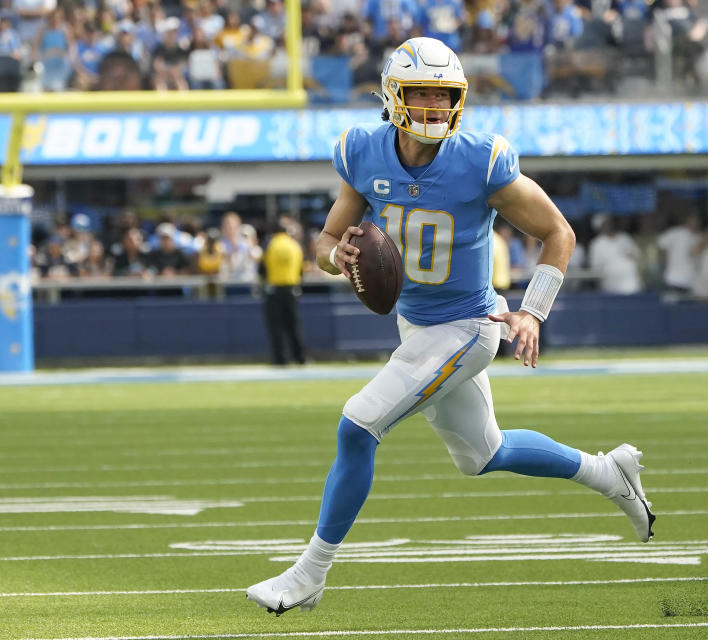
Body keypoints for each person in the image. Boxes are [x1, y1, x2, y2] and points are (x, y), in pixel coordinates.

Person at [246, 36, 655, 616]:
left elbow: (558, 232)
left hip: (469, 325)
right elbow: (326, 242)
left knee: (357, 425)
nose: (435, 108)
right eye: (422, 94)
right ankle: (607, 472)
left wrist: (533, 310)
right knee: (484, 454)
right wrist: (341, 260)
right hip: (415, 326)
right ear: (393, 95)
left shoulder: (479, 159)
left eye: (445, 96)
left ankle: (310, 573)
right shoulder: (362, 150)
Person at [260, 219, 307, 366]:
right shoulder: (294, 245)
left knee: (276, 326)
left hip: (275, 289)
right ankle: (300, 358)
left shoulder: (271, 244)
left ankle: (280, 359)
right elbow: (300, 270)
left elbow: (262, 269)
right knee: (293, 325)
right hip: (292, 289)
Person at [588, 213, 643, 294]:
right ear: (599, 227)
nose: (608, 225)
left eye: (609, 222)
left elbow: (637, 254)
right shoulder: (596, 244)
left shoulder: (624, 237)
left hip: (632, 284)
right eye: (604, 223)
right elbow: (595, 268)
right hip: (611, 287)